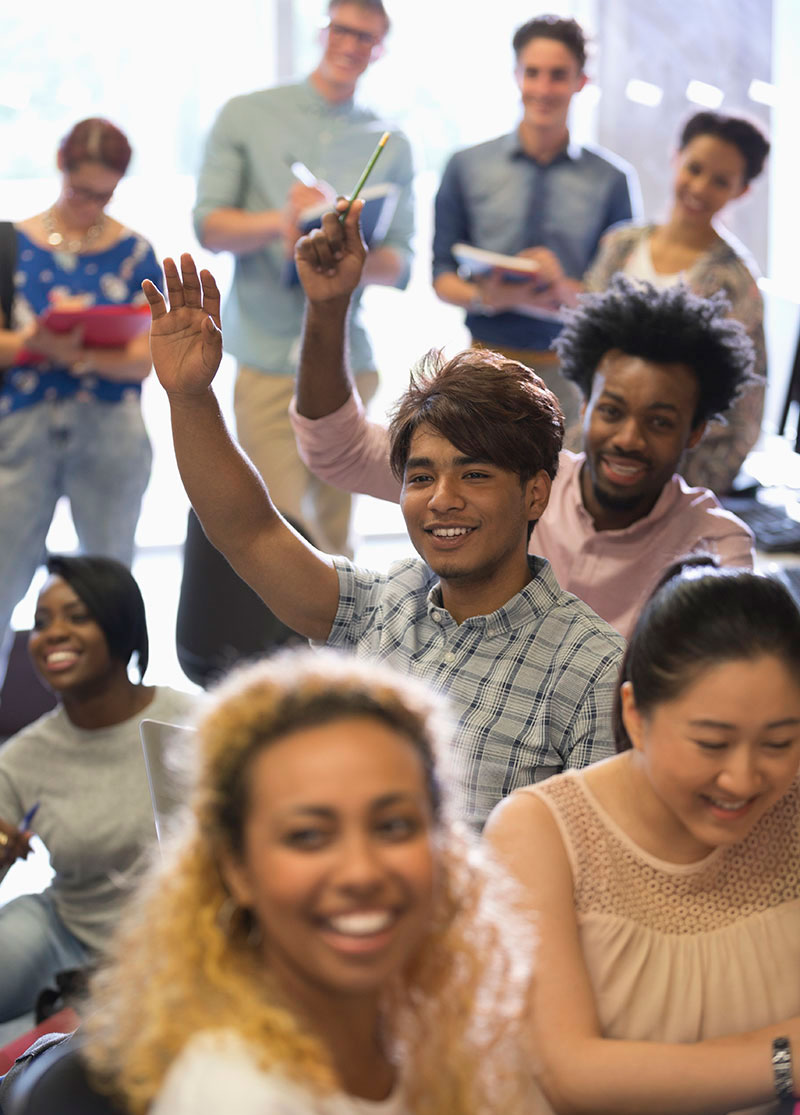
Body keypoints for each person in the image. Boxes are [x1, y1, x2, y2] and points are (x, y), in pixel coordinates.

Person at [138, 219, 623, 830]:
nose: (441, 499)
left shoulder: (594, 671)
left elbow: (599, 882)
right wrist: (189, 398)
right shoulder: (384, 602)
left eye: (473, 475)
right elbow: (250, 532)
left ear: (534, 493)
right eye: (421, 478)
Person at [83, 649, 533, 1115]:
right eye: (308, 836)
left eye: (393, 826)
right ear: (236, 868)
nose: (361, 871)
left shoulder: (419, 1047)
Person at [485, 563, 800, 1115]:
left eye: (780, 743)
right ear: (636, 712)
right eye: (711, 743)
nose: (742, 779)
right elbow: (574, 1078)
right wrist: (786, 1057)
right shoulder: (538, 831)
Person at [291, 269, 756, 638]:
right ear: (585, 405)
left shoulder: (713, 546)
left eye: (659, 422)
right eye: (612, 411)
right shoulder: (500, 478)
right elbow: (337, 446)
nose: (629, 439)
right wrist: (328, 306)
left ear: (694, 431)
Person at [193, 0, 414, 556]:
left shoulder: (391, 141)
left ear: (380, 49)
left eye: (367, 37)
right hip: (266, 363)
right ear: (323, 31)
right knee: (277, 537)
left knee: (337, 547)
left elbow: (399, 263)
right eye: (343, 29)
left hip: (348, 365)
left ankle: (333, 650)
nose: (351, 45)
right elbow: (210, 226)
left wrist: (350, 244)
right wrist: (283, 222)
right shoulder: (247, 114)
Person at [0, 554, 194, 1044]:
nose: (52, 634)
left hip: (168, 944)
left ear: (121, 625)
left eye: (77, 617)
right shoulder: (23, 756)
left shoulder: (193, 720)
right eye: (41, 623)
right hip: (62, 933)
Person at [0, 117, 160, 662]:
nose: (90, 204)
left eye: (103, 194)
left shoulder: (136, 253)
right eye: (80, 190)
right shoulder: (9, 244)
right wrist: (38, 342)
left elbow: (144, 361)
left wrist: (78, 352)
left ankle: (114, 724)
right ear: (61, 169)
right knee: (3, 584)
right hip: (22, 429)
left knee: (110, 585)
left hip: (110, 428)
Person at [431, 14, 640, 426]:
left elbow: (619, 303)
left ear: (582, 81)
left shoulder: (613, 181)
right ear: (516, 76)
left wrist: (560, 287)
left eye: (558, 75)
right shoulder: (464, 166)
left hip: (573, 375)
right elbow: (440, 277)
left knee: (562, 488)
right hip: (480, 367)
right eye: (533, 73)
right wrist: (489, 298)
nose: (544, 89)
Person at [582, 111, 770, 495]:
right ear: (675, 158)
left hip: (676, 481)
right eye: (694, 168)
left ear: (742, 191)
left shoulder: (737, 282)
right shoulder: (620, 247)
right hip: (591, 462)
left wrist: (694, 489)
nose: (700, 188)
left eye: (720, 181)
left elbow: (744, 408)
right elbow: (580, 359)